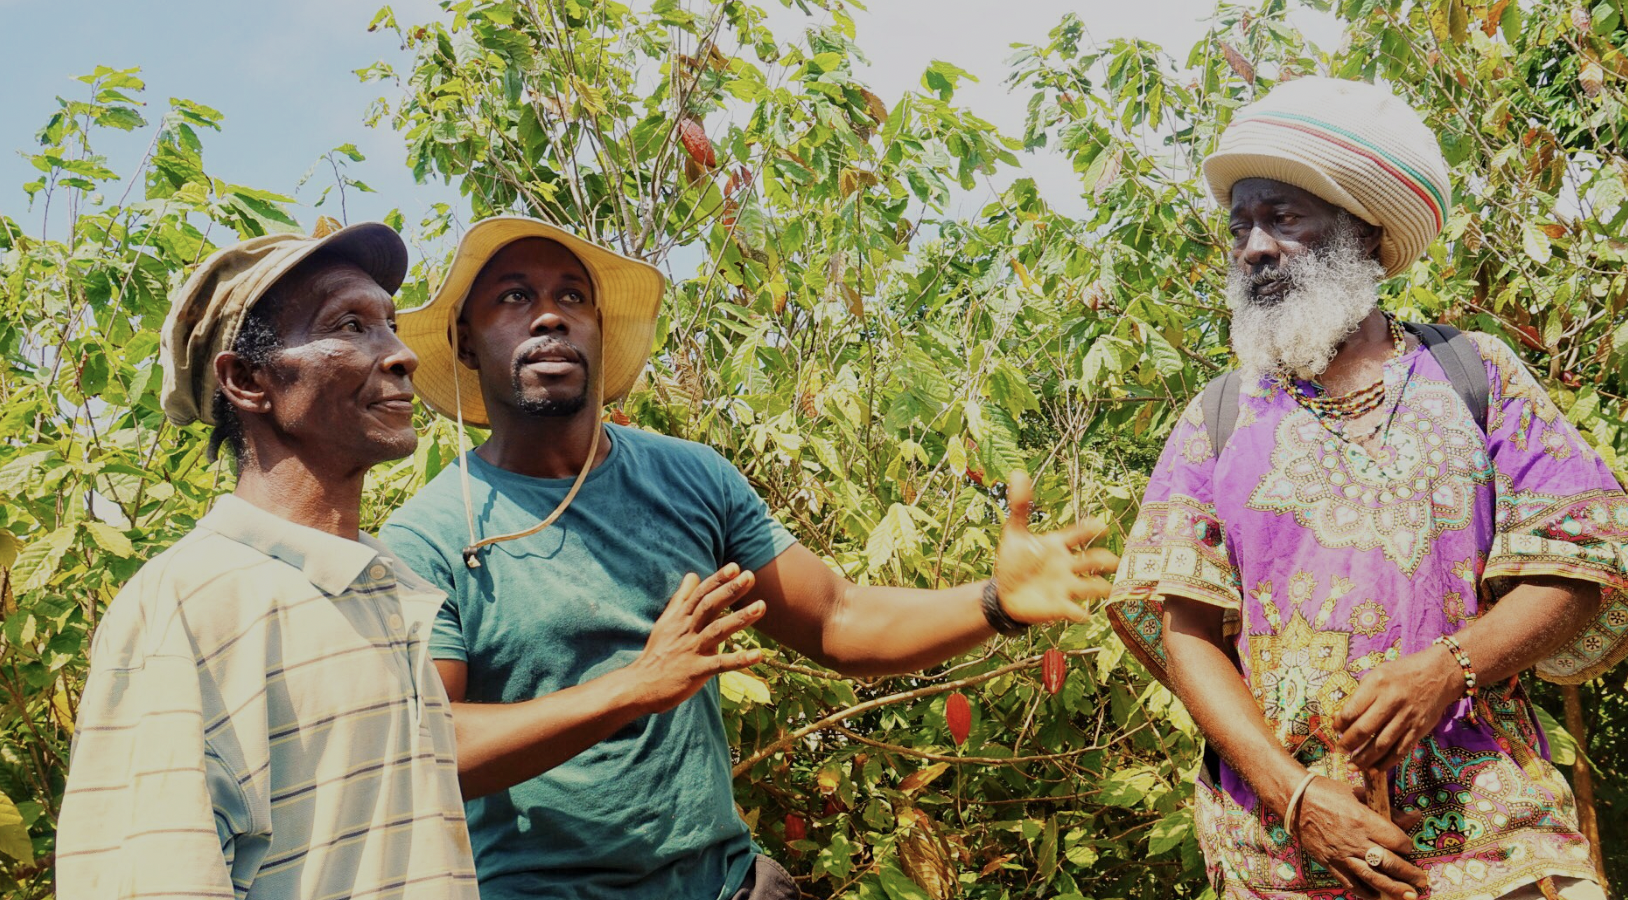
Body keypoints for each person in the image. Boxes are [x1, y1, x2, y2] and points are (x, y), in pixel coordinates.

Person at [380, 218, 1118, 900]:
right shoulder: (430, 535)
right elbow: (430, 745)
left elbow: (837, 617)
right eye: (515, 297)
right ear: (467, 342)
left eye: (572, 296)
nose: (549, 314)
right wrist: (634, 687)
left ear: (600, 333)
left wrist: (993, 602)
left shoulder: (690, 478)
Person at [1107, 77, 1626, 900]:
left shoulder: (1475, 372)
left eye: (1285, 218)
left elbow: (1582, 565)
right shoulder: (1217, 416)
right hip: (1280, 857)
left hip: (1496, 839)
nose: (1254, 247)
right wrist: (1296, 794)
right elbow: (1187, 633)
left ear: (1362, 233)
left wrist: (1448, 670)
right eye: (1240, 225)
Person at [56, 224, 478, 898]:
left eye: (391, 325)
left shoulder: (388, 585)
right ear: (248, 380)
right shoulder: (190, 607)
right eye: (351, 324)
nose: (401, 354)